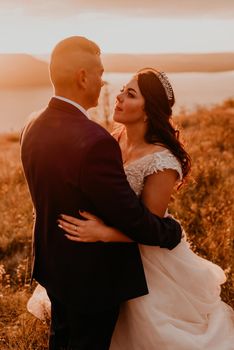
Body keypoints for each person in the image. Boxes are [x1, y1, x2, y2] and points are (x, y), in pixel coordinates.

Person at [21, 36, 182, 350]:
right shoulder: (96, 141)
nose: (105, 82)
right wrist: (171, 231)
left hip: (54, 265)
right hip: (91, 281)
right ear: (83, 77)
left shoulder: (32, 123)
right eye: (100, 73)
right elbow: (133, 219)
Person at [55, 68, 234, 349]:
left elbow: (150, 228)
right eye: (122, 90)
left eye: (130, 94)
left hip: (149, 259)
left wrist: (104, 233)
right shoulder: (115, 139)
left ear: (149, 110)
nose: (118, 97)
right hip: (111, 257)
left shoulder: (162, 161)